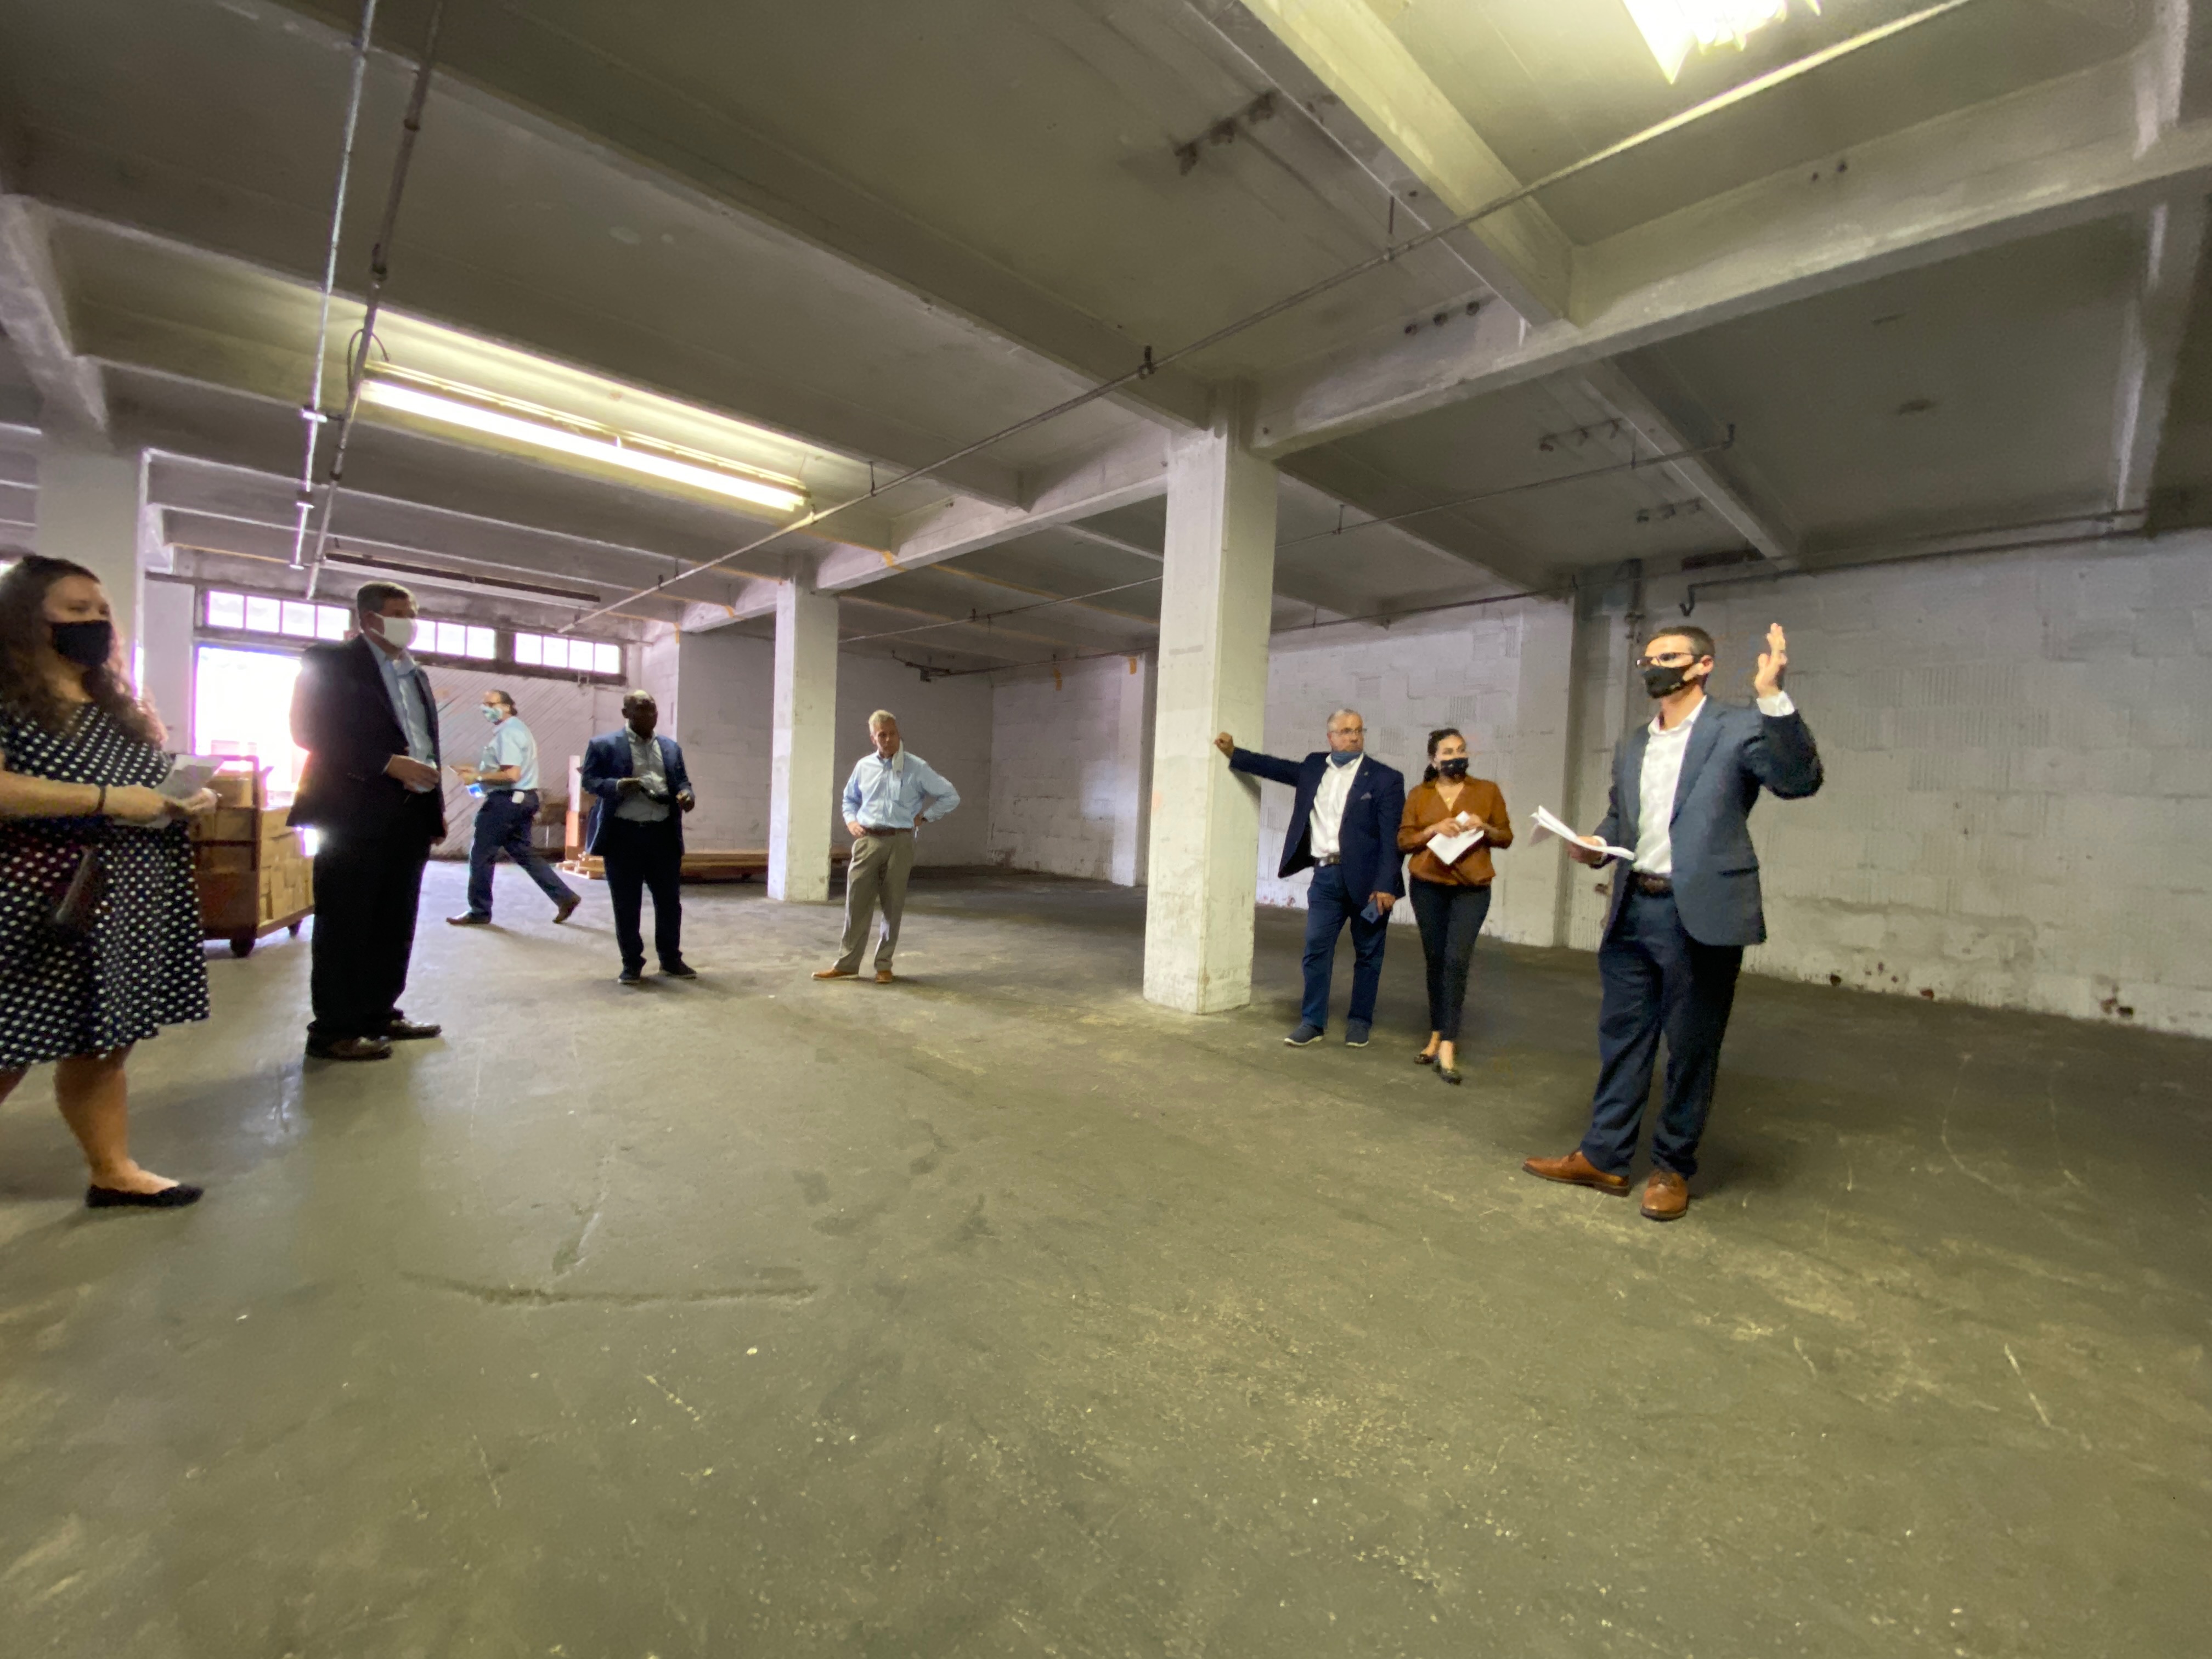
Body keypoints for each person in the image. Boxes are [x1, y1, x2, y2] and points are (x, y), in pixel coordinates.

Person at [1524, 622, 1822, 1222]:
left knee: (1690, 1048)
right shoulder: (1636, 743)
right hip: (1634, 908)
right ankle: (1604, 1156)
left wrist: (1772, 696)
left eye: (1668, 657)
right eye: (1648, 658)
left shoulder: (1737, 726)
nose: (1653, 666)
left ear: (1703, 665)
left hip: (1702, 914)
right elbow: (1621, 820)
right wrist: (1596, 844)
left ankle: (1671, 1168)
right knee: (1623, 1040)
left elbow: (1799, 780)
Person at [0, 556, 217, 1207]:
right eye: (76, 610)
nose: (95, 621)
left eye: (101, 612)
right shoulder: (8, 698)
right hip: (40, 896)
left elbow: (145, 784)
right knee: (8, 1040)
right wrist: (105, 799)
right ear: (26, 619)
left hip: (124, 894)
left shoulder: (111, 703)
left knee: (104, 1040)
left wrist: (183, 798)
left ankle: (112, 1169)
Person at [289, 581, 447, 1062]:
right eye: (400, 612)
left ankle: (379, 1013)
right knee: (346, 921)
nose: (410, 620)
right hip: (354, 813)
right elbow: (307, 731)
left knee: (395, 921)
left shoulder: (414, 674)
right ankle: (334, 1029)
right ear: (369, 619)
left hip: (410, 815)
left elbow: (424, 744)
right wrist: (385, 763)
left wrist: (433, 812)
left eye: (414, 611)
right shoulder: (330, 663)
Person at [1215, 709, 1406, 1047]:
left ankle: (1360, 1021)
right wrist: (1235, 753)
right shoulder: (1314, 767)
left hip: (1368, 884)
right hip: (1326, 877)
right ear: (1330, 737)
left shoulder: (1385, 779)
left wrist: (1386, 884)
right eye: (1346, 732)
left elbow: (1394, 837)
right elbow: (1277, 768)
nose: (1354, 737)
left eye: (1359, 731)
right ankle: (1312, 1022)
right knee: (1316, 950)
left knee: (1369, 953)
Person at [1397, 727, 1512, 1085]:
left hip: (1471, 888)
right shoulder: (1420, 794)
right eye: (1447, 751)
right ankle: (1436, 1032)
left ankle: (1448, 1042)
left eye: (1461, 750)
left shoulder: (1486, 791)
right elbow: (1404, 840)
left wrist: (1485, 828)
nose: (1456, 756)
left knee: (1456, 959)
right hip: (1428, 886)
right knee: (1435, 959)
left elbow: (1505, 836)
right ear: (1434, 759)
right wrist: (1432, 830)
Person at [814, 710, 960, 985]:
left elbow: (950, 796)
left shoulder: (917, 768)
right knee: (856, 902)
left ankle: (884, 965)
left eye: (893, 733)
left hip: (900, 841)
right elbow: (849, 799)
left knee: (893, 905)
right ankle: (847, 965)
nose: (889, 739)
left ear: (898, 733)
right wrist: (851, 821)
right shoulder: (864, 767)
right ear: (873, 738)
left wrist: (925, 817)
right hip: (867, 841)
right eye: (883, 735)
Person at [579, 690, 695, 985]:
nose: (649, 715)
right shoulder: (603, 745)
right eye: (642, 709)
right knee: (626, 903)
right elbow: (590, 781)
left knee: (669, 901)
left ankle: (671, 959)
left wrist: (687, 794)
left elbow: (681, 780)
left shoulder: (670, 748)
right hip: (623, 835)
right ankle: (632, 963)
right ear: (626, 714)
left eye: (653, 709)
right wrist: (617, 785)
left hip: (663, 835)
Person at [447, 688, 581, 928]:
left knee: (481, 854)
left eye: (491, 703)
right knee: (522, 851)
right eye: (484, 704)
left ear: (507, 706)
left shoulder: (507, 733)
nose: (485, 708)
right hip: (524, 800)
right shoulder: (518, 729)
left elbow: (511, 774)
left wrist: (477, 776)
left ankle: (479, 911)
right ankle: (564, 896)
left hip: (506, 802)